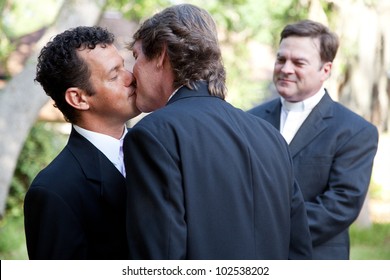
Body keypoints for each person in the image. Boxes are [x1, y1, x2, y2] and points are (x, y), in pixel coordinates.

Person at [123, 4, 312, 260]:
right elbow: (299, 249)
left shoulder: (154, 134)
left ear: (161, 55)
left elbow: (160, 257)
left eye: (136, 57)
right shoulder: (270, 136)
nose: (131, 73)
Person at [248, 19, 379, 259]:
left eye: (298, 62)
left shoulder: (355, 131)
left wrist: (264, 227)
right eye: (281, 59)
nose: (286, 69)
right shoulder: (248, 121)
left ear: (325, 70)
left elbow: (340, 205)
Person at [24, 26, 140, 259]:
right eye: (114, 75)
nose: (130, 78)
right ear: (78, 98)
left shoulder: (155, 150)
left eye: (124, 66)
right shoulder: (53, 191)